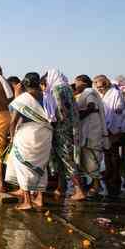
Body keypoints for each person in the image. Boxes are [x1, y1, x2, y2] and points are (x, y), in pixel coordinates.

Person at [4, 73, 53, 210]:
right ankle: (39, 198)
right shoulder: (47, 96)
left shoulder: (23, 99)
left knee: (23, 166)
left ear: (25, 83)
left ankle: (27, 201)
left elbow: (13, 122)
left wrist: (12, 138)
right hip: (46, 134)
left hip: (28, 134)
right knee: (42, 166)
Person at [42, 69, 85, 201]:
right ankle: (62, 186)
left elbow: (61, 111)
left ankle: (79, 190)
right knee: (63, 158)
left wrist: (53, 121)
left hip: (62, 129)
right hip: (71, 128)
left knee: (66, 159)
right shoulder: (67, 88)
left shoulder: (57, 90)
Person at [73, 75, 109, 197]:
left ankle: (96, 186)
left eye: (77, 83)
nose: (75, 85)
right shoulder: (86, 93)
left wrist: (77, 116)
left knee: (93, 157)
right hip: (88, 130)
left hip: (91, 131)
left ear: (83, 83)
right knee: (89, 158)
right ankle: (93, 183)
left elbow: (91, 106)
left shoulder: (89, 92)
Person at [94, 75, 125, 197]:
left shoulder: (115, 93)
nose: (99, 89)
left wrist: (115, 129)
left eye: (101, 87)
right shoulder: (103, 94)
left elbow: (118, 111)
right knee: (107, 152)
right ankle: (108, 172)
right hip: (105, 127)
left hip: (114, 127)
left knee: (114, 153)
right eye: (97, 87)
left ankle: (116, 176)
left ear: (106, 84)